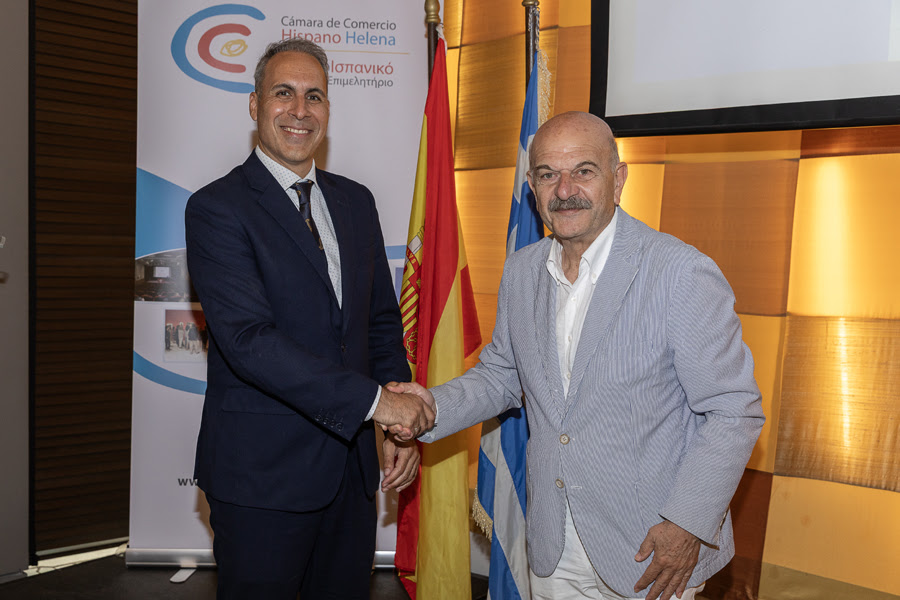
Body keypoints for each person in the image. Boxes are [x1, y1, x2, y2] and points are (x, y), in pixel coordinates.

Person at [389, 112, 764, 600]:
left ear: (618, 179)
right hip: (552, 542)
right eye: (548, 174)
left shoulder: (679, 272)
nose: (565, 190)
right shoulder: (521, 272)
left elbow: (734, 411)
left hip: (652, 549)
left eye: (584, 171)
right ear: (532, 187)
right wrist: (429, 407)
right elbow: (502, 375)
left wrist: (687, 524)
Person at [185, 38, 434, 600]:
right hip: (262, 479)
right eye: (284, 93)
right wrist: (378, 404)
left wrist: (397, 426)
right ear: (255, 105)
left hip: (350, 473)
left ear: (328, 108)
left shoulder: (356, 201)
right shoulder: (217, 208)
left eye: (314, 96)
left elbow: (379, 323)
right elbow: (250, 342)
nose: (300, 110)